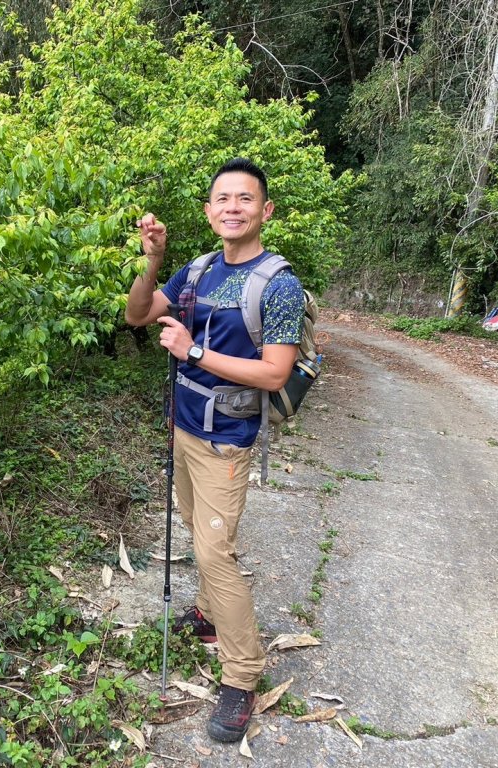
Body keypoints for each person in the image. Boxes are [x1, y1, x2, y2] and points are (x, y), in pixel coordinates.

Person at [125, 157, 306, 743]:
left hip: (227, 439)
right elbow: (136, 314)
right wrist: (154, 262)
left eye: (245, 199)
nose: (233, 207)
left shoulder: (279, 284)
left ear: (265, 210)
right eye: (222, 198)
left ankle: (242, 675)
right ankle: (207, 615)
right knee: (196, 528)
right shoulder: (198, 271)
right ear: (209, 211)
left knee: (213, 553)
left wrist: (193, 354)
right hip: (183, 427)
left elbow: (276, 374)